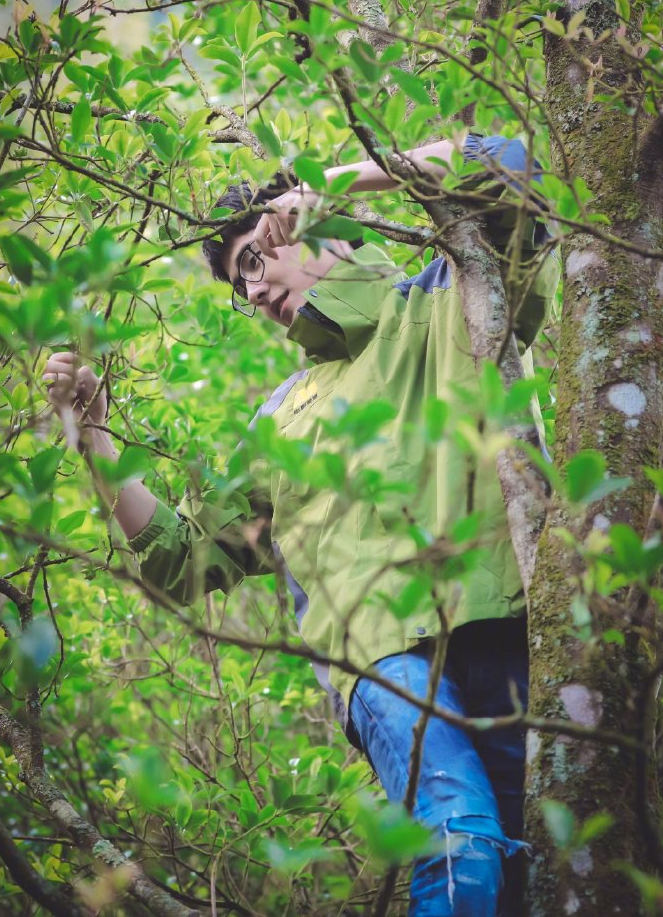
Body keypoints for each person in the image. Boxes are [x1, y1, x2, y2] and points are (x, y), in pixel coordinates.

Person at [44, 133, 558, 916]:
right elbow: (182, 557)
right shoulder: (280, 418)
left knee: (539, 880)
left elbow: (508, 163)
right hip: (381, 662)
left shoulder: (448, 292)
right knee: (461, 848)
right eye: (237, 283)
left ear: (313, 225)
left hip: (511, 631)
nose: (251, 290)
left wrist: (337, 182)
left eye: (253, 257)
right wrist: (96, 436)